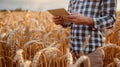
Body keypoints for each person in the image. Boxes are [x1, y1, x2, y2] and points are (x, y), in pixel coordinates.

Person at [53, 0, 116, 67]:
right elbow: (71, 20)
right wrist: (63, 21)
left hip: (92, 51)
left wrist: (86, 20)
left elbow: (111, 20)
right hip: (73, 50)